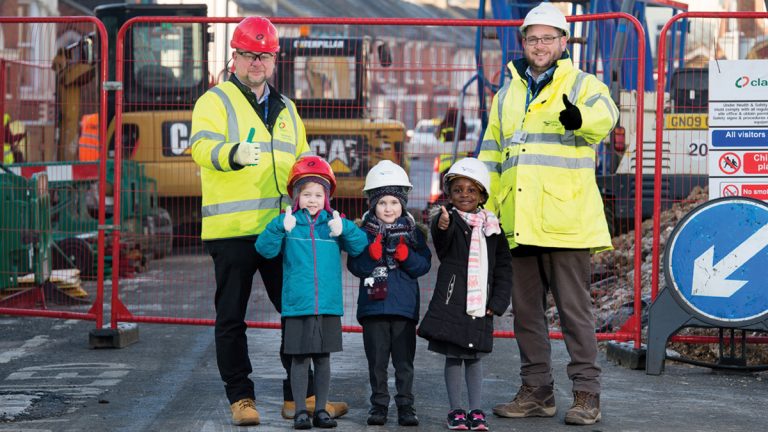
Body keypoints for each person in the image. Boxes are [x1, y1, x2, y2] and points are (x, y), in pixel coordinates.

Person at [190, 17, 346, 426]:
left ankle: (302, 397)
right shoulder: (216, 101)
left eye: (263, 55)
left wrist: (320, 197)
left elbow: (303, 162)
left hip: (283, 230)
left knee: (295, 313)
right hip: (233, 232)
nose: (256, 62)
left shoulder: (287, 108)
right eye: (248, 54)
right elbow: (200, 147)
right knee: (231, 317)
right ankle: (241, 398)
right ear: (234, 57)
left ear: (273, 59)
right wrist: (232, 153)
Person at [477, 3, 619, 426]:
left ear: (563, 42)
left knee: (575, 313)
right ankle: (537, 391)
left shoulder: (581, 84)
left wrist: (580, 119)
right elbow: (490, 158)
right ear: (523, 43)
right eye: (532, 39)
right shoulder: (507, 95)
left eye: (548, 38)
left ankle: (586, 395)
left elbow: (607, 116)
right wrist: (484, 211)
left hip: (566, 221)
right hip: (519, 221)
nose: (540, 46)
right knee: (527, 315)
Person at [255, 156, 368, 429]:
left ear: (327, 198)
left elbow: (359, 246)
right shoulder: (288, 223)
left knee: (323, 358)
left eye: (319, 194)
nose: (313, 199)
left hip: (327, 305)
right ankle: (301, 411)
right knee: (299, 359)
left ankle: (321, 410)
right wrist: (279, 227)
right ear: (296, 197)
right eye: (307, 194)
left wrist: (347, 228)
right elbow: (264, 249)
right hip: (298, 304)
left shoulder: (333, 224)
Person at [417, 158, 513, 431]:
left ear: (482, 195)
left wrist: (498, 301)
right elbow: (442, 243)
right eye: (458, 189)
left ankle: (476, 410)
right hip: (453, 303)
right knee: (453, 356)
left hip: (481, 303)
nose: (465, 195)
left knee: (474, 357)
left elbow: (504, 268)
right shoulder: (447, 220)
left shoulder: (492, 228)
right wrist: (442, 224)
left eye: (472, 190)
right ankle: (456, 410)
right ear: (450, 193)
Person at [347, 160, 432, 427]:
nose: (388, 208)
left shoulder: (414, 234)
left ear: (402, 205)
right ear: (373, 205)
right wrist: (370, 256)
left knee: (404, 363)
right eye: (382, 203)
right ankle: (379, 405)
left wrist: (407, 257)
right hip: (374, 309)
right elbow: (356, 266)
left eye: (394, 203)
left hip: (404, 310)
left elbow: (423, 266)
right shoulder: (363, 234)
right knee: (377, 363)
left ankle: (406, 405)